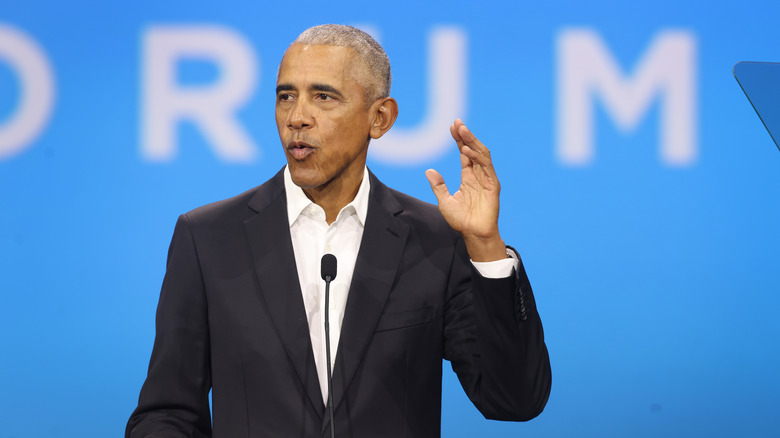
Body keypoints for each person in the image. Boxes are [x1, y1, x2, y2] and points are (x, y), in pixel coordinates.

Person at [126, 24, 551, 438]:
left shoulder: (434, 240)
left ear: (380, 118)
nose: (297, 117)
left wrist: (485, 247)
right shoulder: (209, 238)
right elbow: (166, 414)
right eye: (285, 96)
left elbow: (513, 401)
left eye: (323, 97)